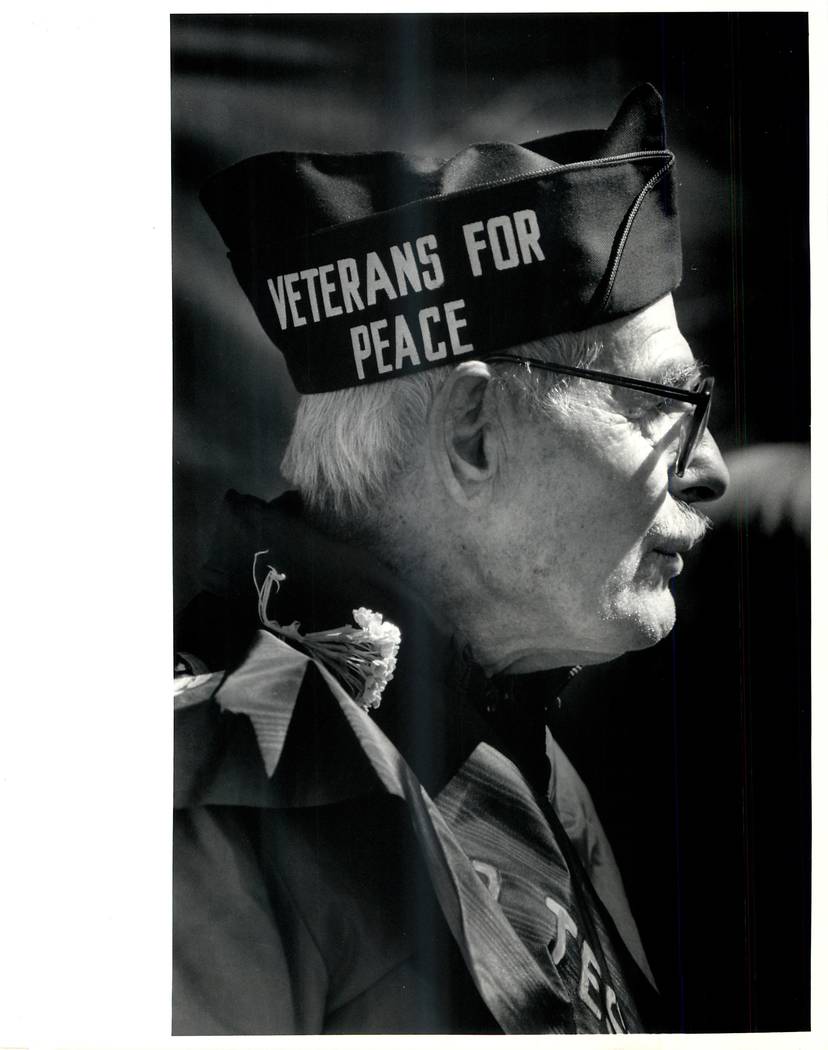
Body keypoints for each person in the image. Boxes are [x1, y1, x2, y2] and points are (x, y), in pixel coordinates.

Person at [173, 83, 728, 1035]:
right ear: (474, 432)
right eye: (660, 405)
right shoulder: (193, 799)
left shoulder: (516, 739)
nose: (709, 466)